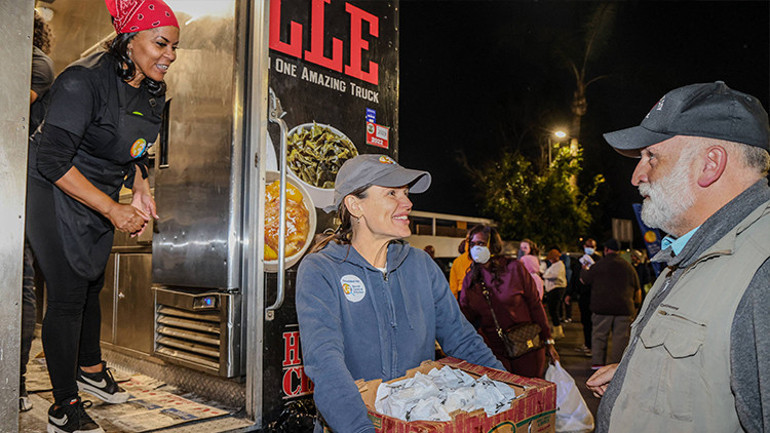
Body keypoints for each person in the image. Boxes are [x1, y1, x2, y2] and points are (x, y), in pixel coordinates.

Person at [25, 1, 179, 432]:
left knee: (91, 279)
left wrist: (141, 184)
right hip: (53, 184)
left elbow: (135, 145)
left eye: (174, 47)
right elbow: (53, 161)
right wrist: (113, 208)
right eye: (161, 43)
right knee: (70, 289)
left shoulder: (152, 86)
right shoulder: (82, 81)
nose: (169, 55)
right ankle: (63, 406)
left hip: (101, 184)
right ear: (130, 41)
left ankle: (88, 370)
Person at [587, 81, 770, 433]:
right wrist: (635, 378)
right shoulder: (696, 250)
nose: (637, 176)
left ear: (710, 164)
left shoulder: (762, 273)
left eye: (651, 156)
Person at [296, 155, 505, 433]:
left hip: (420, 423)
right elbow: (325, 364)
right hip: (355, 423)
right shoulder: (321, 269)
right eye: (391, 193)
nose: (407, 203)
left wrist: (510, 388)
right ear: (354, 205)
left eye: (406, 193)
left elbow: (463, 340)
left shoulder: (420, 264)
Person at [459, 225, 559, 378]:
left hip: (526, 348)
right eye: (472, 244)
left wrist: (548, 340)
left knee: (528, 396)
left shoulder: (514, 269)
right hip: (494, 354)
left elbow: (535, 305)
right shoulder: (470, 280)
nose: (476, 248)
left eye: (481, 243)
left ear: (493, 245)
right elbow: (465, 318)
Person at [19, 11, 56, 414]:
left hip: (22, 186)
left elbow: (10, 105)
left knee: (18, 281)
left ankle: (15, 382)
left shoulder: (35, 62)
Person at [580, 239, 640, 370]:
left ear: (606, 250)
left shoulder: (599, 265)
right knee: (621, 339)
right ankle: (616, 367)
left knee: (599, 337)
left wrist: (584, 268)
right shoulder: (628, 267)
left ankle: (598, 364)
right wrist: (636, 306)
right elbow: (637, 288)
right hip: (624, 309)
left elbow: (585, 280)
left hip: (602, 308)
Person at [565, 237, 599, 355]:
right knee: (585, 321)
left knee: (594, 322)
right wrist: (569, 293)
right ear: (584, 247)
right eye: (588, 246)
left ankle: (593, 346)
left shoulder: (599, 260)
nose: (589, 248)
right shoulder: (580, 261)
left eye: (592, 246)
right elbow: (574, 279)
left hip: (595, 295)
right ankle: (588, 344)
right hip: (583, 296)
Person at [542, 248, 567, 339]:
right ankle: (557, 330)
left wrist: (544, 275)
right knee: (553, 311)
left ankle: (558, 332)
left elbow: (554, 276)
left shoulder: (559, 265)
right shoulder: (556, 265)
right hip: (553, 289)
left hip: (556, 289)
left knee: (554, 310)